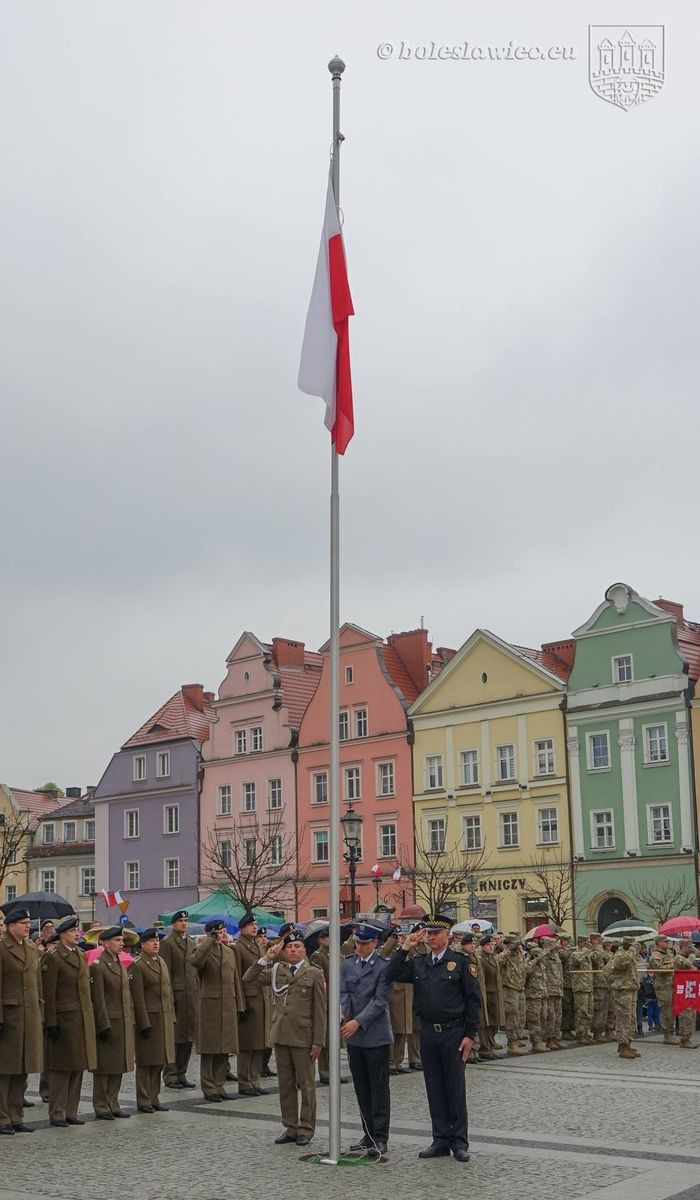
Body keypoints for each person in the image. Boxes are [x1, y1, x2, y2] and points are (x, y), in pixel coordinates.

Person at [386, 914, 481, 1163]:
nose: (431, 937)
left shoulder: (460, 962)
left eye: (436, 933)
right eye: (428, 933)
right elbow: (391, 972)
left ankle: (459, 1142)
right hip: (428, 1032)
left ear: (448, 936)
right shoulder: (419, 963)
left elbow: (473, 1001)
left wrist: (470, 1035)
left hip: (453, 1032)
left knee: (455, 1089)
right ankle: (440, 1140)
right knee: (434, 1088)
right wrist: (405, 947)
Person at [244, 929, 326, 1147]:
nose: (293, 950)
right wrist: (266, 958)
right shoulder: (277, 970)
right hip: (280, 1035)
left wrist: (319, 1040)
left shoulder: (314, 973)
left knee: (307, 1085)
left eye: (297, 946)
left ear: (304, 950)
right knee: (286, 1084)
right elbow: (248, 978)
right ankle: (290, 1127)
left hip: (303, 1037)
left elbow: (320, 1010)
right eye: (289, 946)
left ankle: (306, 1128)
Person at [339, 920, 394, 1156]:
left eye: (363, 944)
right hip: (354, 1037)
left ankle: (380, 1137)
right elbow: (343, 991)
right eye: (356, 943)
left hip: (376, 1034)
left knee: (378, 1088)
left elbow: (380, 1000)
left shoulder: (383, 966)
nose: (358, 948)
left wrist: (357, 1021)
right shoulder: (348, 964)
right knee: (361, 1088)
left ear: (374, 943)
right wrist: (342, 1011)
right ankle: (367, 1133)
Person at [42, 915, 97, 1127]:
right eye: (73, 931)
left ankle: (71, 1111)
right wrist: (51, 1022)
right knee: (61, 1069)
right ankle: (57, 1112)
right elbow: (49, 992)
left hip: (81, 1017)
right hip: (63, 1020)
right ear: (62, 934)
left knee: (77, 1067)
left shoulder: (81, 955)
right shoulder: (53, 957)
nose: (77, 934)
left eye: (77, 931)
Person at [0, 907, 43, 1135]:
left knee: (22, 1070)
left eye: (28, 922)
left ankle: (17, 1116)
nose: (28, 925)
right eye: (23, 922)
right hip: (10, 1017)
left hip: (29, 1016)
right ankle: (2, 1117)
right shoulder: (2, 948)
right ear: (10, 926)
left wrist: (40, 1012)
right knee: (5, 1071)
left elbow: (38, 984)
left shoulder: (30, 948)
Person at [191, 919, 244, 1101]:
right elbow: (196, 962)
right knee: (210, 1049)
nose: (221, 935)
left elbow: (235, 979)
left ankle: (220, 1085)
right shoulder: (202, 951)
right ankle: (209, 1087)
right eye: (217, 932)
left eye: (222, 932)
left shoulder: (229, 952)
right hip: (210, 1007)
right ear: (210, 934)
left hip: (228, 1005)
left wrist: (240, 1005)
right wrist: (209, 942)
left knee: (224, 1048)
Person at [128, 927, 175, 1113]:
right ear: (142, 944)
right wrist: (143, 1023)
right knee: (146, 1062)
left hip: (163, 1017)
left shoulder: (161, 961)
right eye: (151, 941)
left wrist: (172, 1015)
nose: (156, 944)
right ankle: (144, 1099)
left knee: (159, 1061)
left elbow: (167, 991)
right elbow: (137, 998)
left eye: (157, 941)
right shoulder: (138, 964)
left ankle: (154, 1097)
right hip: (149, 1019)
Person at [89, 926, 134, 1119]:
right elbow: (98, 999)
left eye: (121, 940)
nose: (121, 943)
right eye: (117, 940)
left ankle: (113, 1103)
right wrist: (103, 1024)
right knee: (105, 1067)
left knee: (118, 1065)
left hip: (122, 1020)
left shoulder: (118, 963)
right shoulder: (98, 966)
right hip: (108, 1022)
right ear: (104, 943)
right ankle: (101, 1105)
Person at [160, 910, 198, 1089]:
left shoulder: (190, 942)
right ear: (173, 924)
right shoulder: (167, 943)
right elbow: (165, 972)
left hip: (190, 996)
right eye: (181, 921)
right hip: (177, 995)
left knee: (188, 1038)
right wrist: (169, 998)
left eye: (186, 920)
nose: (184, 923)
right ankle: (170, 1074)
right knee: (175, 1038)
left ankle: (182, 1073)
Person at [233, 913, 270, 1097]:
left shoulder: (257, 945)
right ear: (242, 928)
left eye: (255, 924)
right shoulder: (238, 947)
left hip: (261, 998)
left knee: (259, 1043)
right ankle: (244, 1082)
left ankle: (255, 1079)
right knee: (247, 1044)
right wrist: (240, 1003)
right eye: (250, 925)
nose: (254, 927)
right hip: (248, 999)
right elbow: (237, 978)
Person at [609, 936, 640, 1060]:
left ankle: (627, 1043)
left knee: (631, 1019)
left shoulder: (628, 955)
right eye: (632, 945)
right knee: (624, 1019)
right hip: (622, 991)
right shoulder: (620, 954)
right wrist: (632, 951)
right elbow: (621, 964)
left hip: (630, 989)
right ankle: (623, 1046)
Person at [497, 935, 528, 1055]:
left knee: (520, 1015)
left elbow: (523, 968)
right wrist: (508, 950)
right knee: (512, 1015)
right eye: (515, 944)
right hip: (509, 988)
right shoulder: (506, 954)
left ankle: (517, 1038)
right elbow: (497, 961)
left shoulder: (519, 954)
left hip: (520, 988)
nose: (518, 946)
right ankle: (512, 1042)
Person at [648, 935, 680, 1045]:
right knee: (666, 1010)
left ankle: (671, 1032)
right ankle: (667, 1035)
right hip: (662, 987)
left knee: (672, 1010)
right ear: (659, 943)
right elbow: (660, 969)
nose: (667, 943)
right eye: (665, 941)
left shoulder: (669, 954)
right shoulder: (655, 956)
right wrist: (673, 964)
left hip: (671, 985)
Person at [309, 928, 331, 1083]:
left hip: (336, 1000)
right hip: (325, 999)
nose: (330, 939)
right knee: (325, 1037)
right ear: (320, 940)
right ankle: (325, 1072)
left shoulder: (335, 955)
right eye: (327, 937)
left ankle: (331, 1070)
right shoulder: (318, 956)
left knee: (332, 1038)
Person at [478, 935, 504, 1059]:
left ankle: (490, 1044)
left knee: (494, 1022)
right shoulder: (481, 959)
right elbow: (481, 979)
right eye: (489, 945)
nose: (491, 947)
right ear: (482, 946)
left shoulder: (492, 959)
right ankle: (484, 1048)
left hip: (495, 993)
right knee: (486, 1023)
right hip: (487, 994)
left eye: (493, 945)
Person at [673, 939, 699, 1049]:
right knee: (686, 1015)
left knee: (691, 1015)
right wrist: (693, 953)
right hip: (683, 992)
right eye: (689, 947)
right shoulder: (679, 958)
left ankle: (688, 1038)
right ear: (684, 947)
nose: (691, 949)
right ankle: (684, 1039)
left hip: (690, 990)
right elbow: (688, 964)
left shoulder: (687, 958)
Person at [524, 942, 548, 1053]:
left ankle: (541, 1041)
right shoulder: (529, 964)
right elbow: (526, 972)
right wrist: (534, 960)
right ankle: (535, 1042)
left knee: (543, 1018)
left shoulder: (542, 966)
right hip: (533, 996)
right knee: (534, 1020)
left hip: (542, 995)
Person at [570, 937, 594, 1045]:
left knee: (589, 1012)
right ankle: (580, 1034)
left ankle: (585, 1033)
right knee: (581, 1012)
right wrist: (584, 951)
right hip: (580, 988)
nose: (587, 945)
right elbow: (577, 961)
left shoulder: (587, 955)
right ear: (579, 943)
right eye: (585, 943)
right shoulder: (575, 954)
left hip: (588, 987)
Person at [542, 936, 564, 1051]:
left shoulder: (556, 957)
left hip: (558, 990)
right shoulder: (544, 957)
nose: (555, 948)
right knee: (550, 1016)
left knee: (558, 1015)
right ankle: (549, 1038)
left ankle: (556, 1037)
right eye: (552, 946)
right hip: (549, 990)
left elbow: (560, 973)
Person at [589, 933, 609, 1044]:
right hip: (597, 983)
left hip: (604, 982)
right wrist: (597, 948)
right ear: (593, 940)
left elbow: (607, 958)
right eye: (598, 940)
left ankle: (601, 1031)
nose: (600, 942)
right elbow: (595, 959)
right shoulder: (591, 951)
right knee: (598, 1009)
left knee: (604, 1010)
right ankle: (596, 1032)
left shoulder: (600, 950)